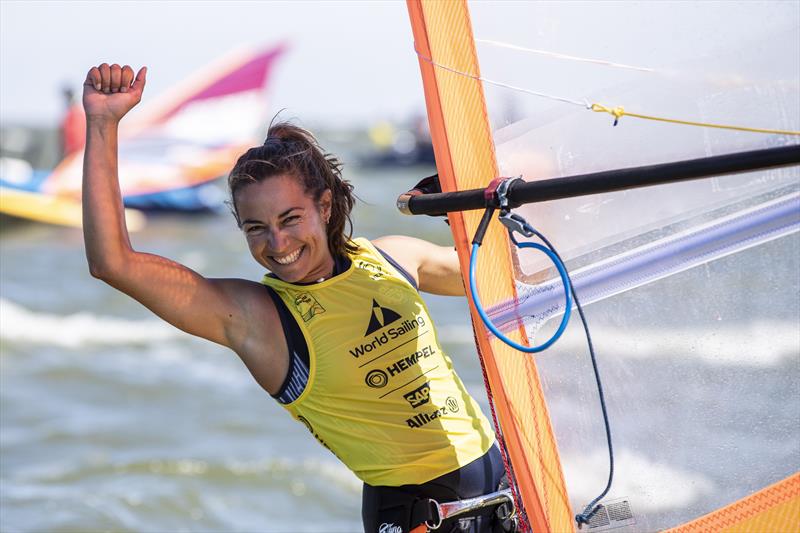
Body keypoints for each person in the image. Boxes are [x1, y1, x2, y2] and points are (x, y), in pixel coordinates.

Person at [82, 63, 511, 533]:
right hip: (418, 517)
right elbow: (114, 263)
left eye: (290, 219)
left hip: (505, 486)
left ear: (323, 206)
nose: (278, 244)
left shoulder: (390, 258)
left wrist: (467, 211)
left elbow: (502, 273)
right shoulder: (257, 319)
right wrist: (103, 124)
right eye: (256, 228)